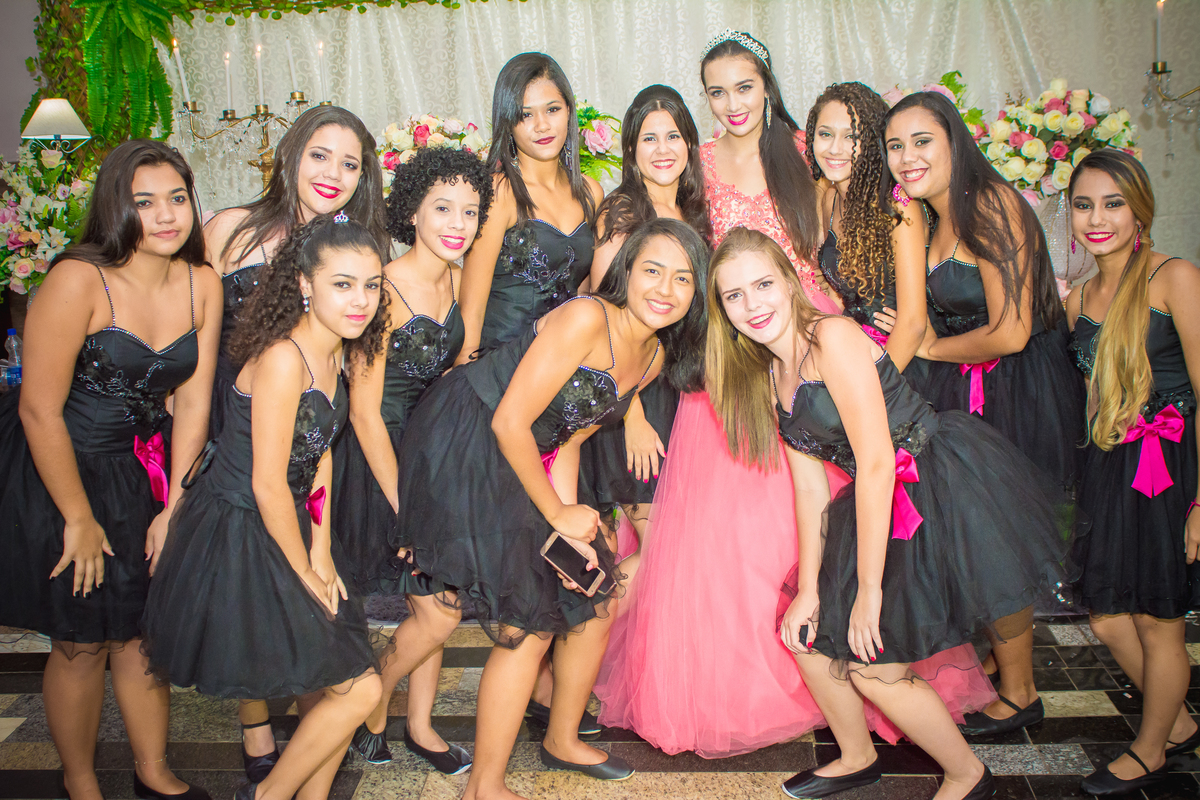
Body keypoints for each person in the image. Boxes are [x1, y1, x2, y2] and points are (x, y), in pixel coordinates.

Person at [710, 227, 1074, 800]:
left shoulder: (830, 337)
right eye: (734, 295)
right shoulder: (771, 374)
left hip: (929, 488)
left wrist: (869, 592)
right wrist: (810, 590)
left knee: (873, 666)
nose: (752, 304)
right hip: (875, 499)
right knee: (806, 635)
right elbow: (809, 490)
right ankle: (857, 757)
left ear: (789, 281)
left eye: (762, 285)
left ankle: (968, 776)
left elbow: (878, 463)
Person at [395, 218, 708, 799]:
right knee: (528, 622)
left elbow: (570, 437)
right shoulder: (587, 317)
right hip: (468, 438)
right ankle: (483, 786)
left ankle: (561, 738)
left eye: (683, 278)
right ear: (627, 272)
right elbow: (509, 421)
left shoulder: (654, 356)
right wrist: (558, 515)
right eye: (653, 270)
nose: (665, 289)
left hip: (532, 453)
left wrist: (566, 521)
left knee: (593, 585)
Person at [596, 30, 842, 758]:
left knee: (805, 525)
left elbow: (830, 251)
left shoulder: (803, 153)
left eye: (744, 87)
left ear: (767, 86)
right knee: (721, 545)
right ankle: (735, 688)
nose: (732, 103)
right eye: (717, 91)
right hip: (723, 369)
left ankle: (827, 669)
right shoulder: (694, 165)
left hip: (802, 352)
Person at [0, 140, 220, 800]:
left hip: (142, 472)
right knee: (80, 642)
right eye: (144, 202)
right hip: (61, 471)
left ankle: (152, 770)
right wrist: (77, 517)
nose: (166, 215)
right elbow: (38, 409)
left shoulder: (202, 282)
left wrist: (175, 506)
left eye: (177, 198)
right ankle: (80, 780)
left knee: (140, 632)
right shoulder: (77, 279)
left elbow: (193, 403)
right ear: (115, 208)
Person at [142, 215, 388, 800]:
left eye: (372, 285)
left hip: (292, 523)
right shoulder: (283, 358)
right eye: (343, 284)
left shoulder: (334, 351)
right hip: (243, 528)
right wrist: (305, 570)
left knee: (337, 683)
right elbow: (268, 484)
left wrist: (322, 550)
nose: (361, 300)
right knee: (359, 688)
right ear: (305, 284)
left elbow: (321, 453)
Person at [880, 90, 1087, 736]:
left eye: (922, 141)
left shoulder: (991, 204)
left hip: (1016, 388)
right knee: (975, 530)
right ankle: (1005, 663)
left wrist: (930, 348)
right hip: (966, 384)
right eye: (895, 146)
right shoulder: (930, 216)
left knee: (995, 536)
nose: (907, 157)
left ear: (955, 141)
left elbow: (1013, 331)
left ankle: (1022, 692)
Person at [202, 105, 388, 779]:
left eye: (350, 162)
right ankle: (257, 736)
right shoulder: (231, 230)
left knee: (315, 632)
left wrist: (320, 547)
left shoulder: (357, 257)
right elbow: (200, 343)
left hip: (308, 440)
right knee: (244, 612)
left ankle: (312, 748)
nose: (333, 172)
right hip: (239, 422)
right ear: (290, 155)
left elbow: (342, 414)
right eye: (319, 154)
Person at [336, 146, 492, 774]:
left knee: (438, 599)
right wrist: (407, 504)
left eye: (470, 211)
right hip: (381, 462)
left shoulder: (455, 279)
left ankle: (419, 728)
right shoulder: (383, 286)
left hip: (431, 459)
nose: (458, 223)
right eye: (443, 208)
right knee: (438, 612)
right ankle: (366, 708)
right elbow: (363, 411)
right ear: (412, 211)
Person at [1064, 149, 1200, 796]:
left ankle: (1151, 749)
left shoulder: (1175, 279)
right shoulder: (1078, 299)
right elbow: (1087, 394)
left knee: (1156, 619)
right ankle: (1177, 723)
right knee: (1107, 616)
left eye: (1113, 203)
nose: (1098, 218)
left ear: (1139, 209)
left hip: (1168, 470)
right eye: (1084, 205)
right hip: (1109, 468)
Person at [580, 84, 709, 584]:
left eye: (672, 136)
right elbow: (604, 315)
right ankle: (592, 618)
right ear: (631, 149)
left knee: (680, 546)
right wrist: (631, 413)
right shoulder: (623, 212)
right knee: (663, 552)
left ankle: (594, 619)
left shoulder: (694, 211)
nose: (662, 149)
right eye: (649, 139)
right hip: (636, 394)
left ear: (689, 144)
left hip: (681, 390)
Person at [457, 51, 603, 362]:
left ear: (569, 111)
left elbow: (586, 294)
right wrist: (464, 378)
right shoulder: (500, 192)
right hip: (501, 364)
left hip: (563, 362)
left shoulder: (591, 192)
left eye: (552, 109)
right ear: (508, 123)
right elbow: (471, 308)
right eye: (526, 115)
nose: (542, 125)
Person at [806, 82, 927, 371]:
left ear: (872, 141)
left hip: (900, 361)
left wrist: (876, 386)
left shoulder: (897, 206)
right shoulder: (828, 198)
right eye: (825, 134)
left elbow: (913, 324)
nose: (835, 148)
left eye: (851, 136)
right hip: (854, 353)